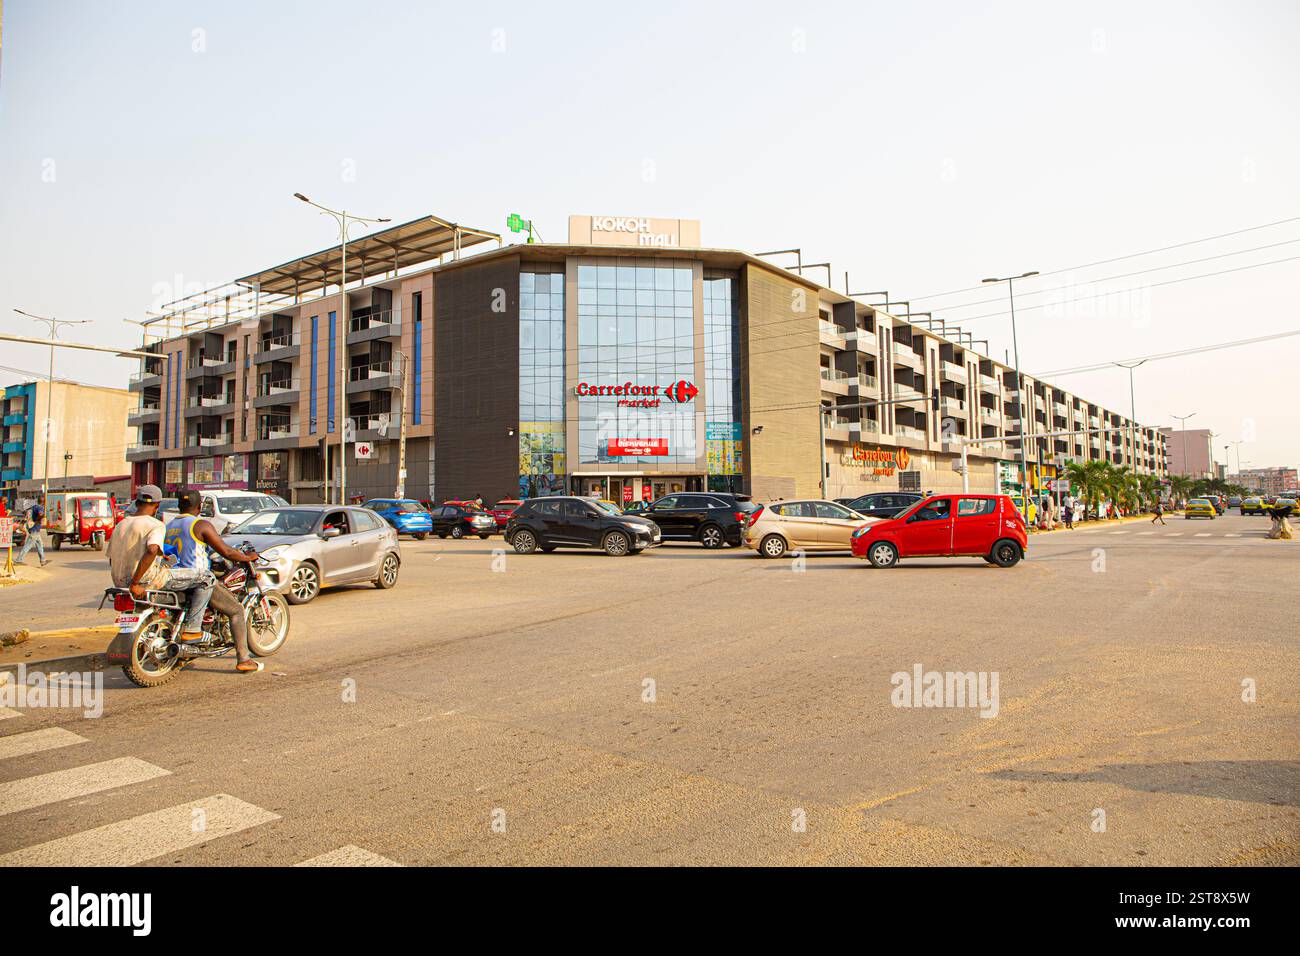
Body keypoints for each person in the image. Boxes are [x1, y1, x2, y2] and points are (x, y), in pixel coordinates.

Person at [166, 489, 265, 673]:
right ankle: (244, 659)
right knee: (236, 610)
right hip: (196, 580)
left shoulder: (169, 525)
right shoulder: (200, 524)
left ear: (179, 505)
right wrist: (246, 557)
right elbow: (226, 552)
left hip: (174, 579)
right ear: (200, 506)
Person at [15, 501, 47, 566]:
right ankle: (19, 560)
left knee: (40, 544)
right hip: (35, 529)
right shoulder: (39, 507)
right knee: (28, 545)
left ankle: (43, 560)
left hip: (32, 528)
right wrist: (43, 516)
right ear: (43, 502)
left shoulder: (32, 508)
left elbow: (26, 518)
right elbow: (40, 514)